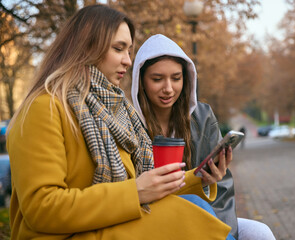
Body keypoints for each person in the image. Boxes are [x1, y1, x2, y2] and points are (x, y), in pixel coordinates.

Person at [6, 5, 234, 239]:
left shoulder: (116, 109)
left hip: (111, 225)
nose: (127, 61)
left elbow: (143, 186)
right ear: (87, 47)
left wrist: (199, 177)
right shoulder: (43, 108)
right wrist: (135, 192)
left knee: (197, 207)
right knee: (196, 215)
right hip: (73, 234)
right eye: (119, 49)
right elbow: (41, 208)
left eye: (129, 51)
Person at [131, 34, 276, 240]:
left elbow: (223, 189)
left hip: (203, 210)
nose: (168, 88)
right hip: (155, 217)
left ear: (186, 77)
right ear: (141, 81)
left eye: (176, 78)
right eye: (157, 79)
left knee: (260, 233)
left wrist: (212, 183)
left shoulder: (202, 116)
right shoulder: (128, 122)